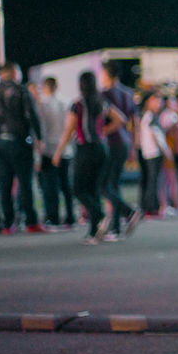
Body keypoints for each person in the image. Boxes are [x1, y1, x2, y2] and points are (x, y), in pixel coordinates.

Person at [53, 71, 127, 244]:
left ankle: (99, 217)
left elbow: (68, 130)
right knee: (93, 189)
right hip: (102, 148)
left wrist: (58, 152)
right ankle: (95, 230)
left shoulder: (78, 105)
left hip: (85, 148)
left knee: (78, 188)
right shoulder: (102, 102)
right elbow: (120, 119)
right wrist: (104, 131)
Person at [0, 62, 45, 233]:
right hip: (19, 141)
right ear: (15, 74)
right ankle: (31, 221)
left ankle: (8, 223)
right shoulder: (21, 91)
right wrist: (39, 138)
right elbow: (31, 115)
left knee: (5, 183)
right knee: (24, 183)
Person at [99, 62, 141, 235]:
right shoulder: (128, 93)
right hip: (124, 142)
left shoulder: (104, 95)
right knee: (114, 184)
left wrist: (103, 131)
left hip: (110, 143)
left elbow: (119, 120)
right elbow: (135, 122)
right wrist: (134, 147)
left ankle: (126, 213)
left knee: (104, 185)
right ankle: (115, 226)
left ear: (107, 74)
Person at [36, 77, 77, 229]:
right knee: (66, 185)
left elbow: (42, 129)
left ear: (45, 87)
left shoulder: (43, 104)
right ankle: (70, 216)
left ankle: (53, 217)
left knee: (50, 187)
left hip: (49, 149)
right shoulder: (67, 102)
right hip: (66, 148)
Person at [137, 92, 168, 216]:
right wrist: (166, 150)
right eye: (156, 101)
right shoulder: (151, 116)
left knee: (148, 180)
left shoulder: (143, 116)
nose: (159, 104)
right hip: (153, 152)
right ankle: (151, 207)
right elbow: (157, 135)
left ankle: (146, 207)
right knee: (153, 181)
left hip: (145, 152)